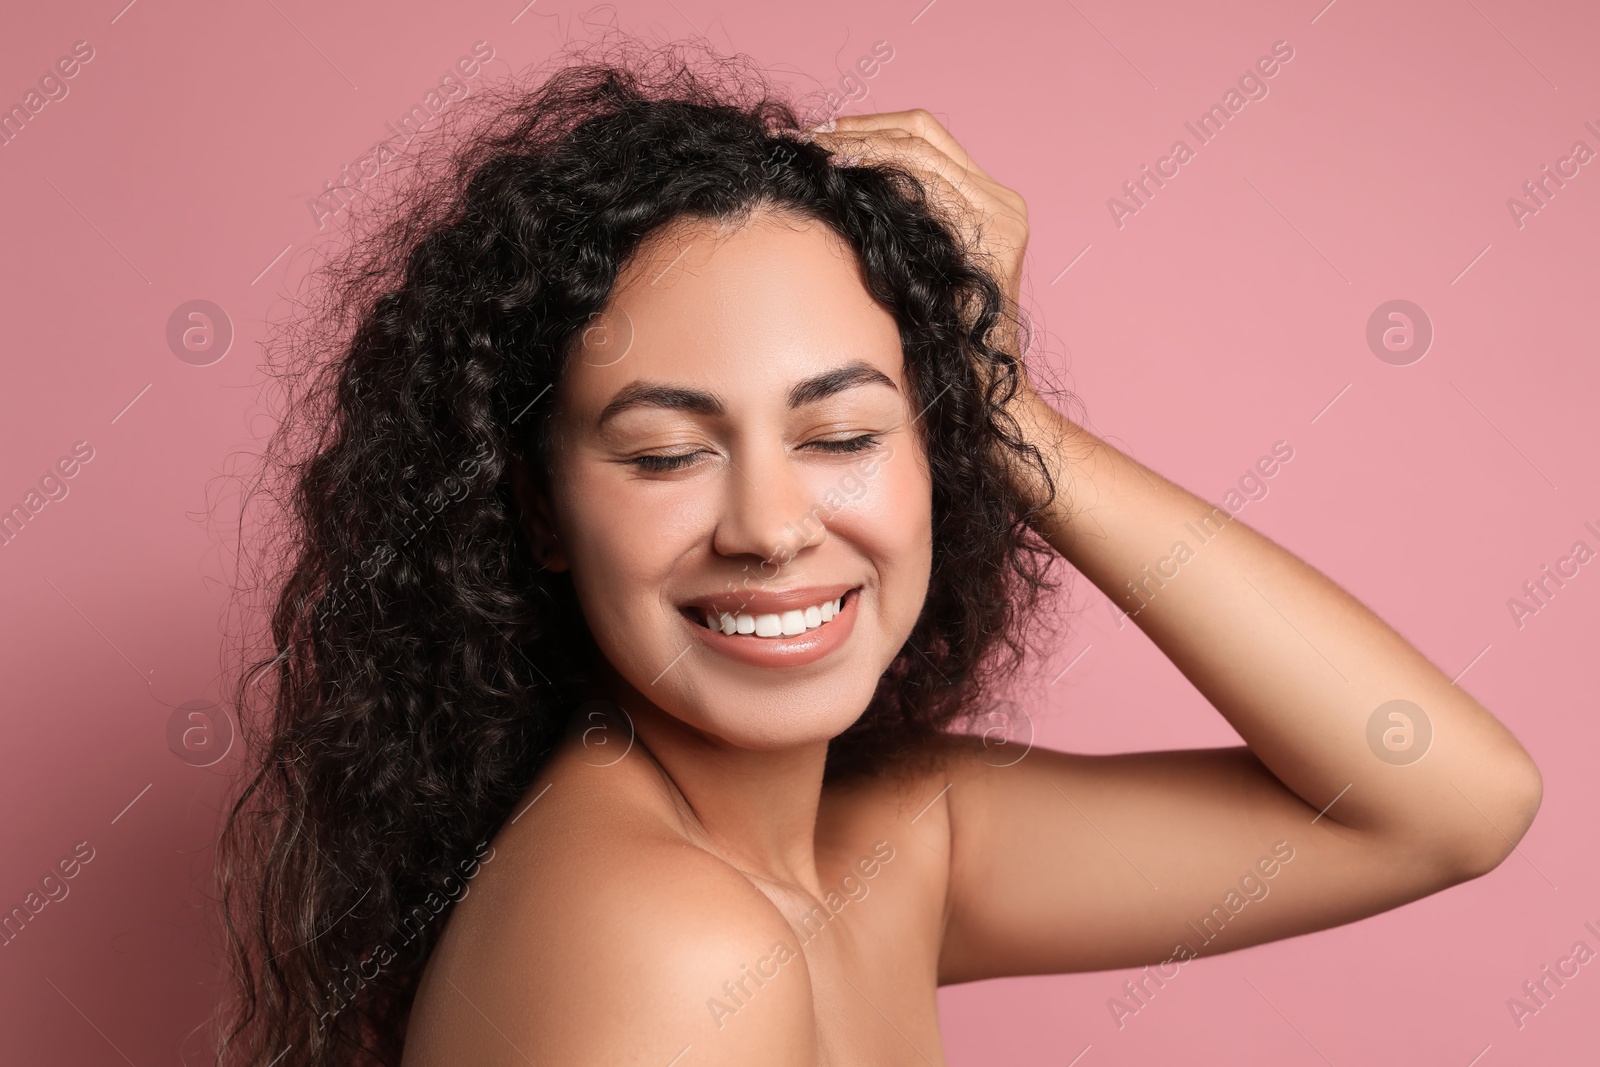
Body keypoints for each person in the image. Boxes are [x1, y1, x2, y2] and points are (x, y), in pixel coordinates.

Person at [213, 36, 1541, 1067]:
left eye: (843, 434)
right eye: (669, 454)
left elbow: (1444, 802)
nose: (775, 527)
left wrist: (1008, 413)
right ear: (543, 514)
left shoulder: (894, 842)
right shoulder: (662, 936)